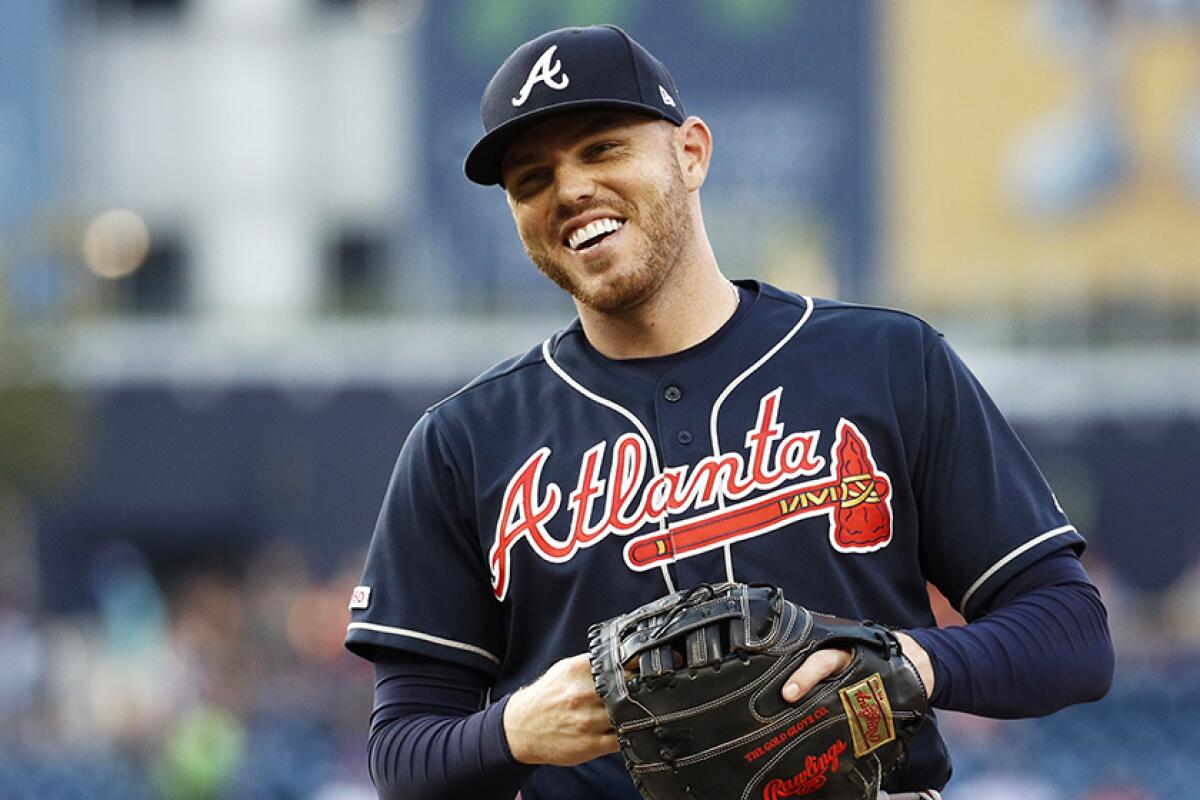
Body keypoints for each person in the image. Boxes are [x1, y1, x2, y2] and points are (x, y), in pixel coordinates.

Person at [344, 25, 1114, 800]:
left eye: (603, 148)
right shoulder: (462, 443)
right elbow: (405, 757)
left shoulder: (886, 362)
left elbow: (1072, 634)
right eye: (531, 178)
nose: (570, 189)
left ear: (692, 153)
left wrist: (912, 663)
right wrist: (513, 729)